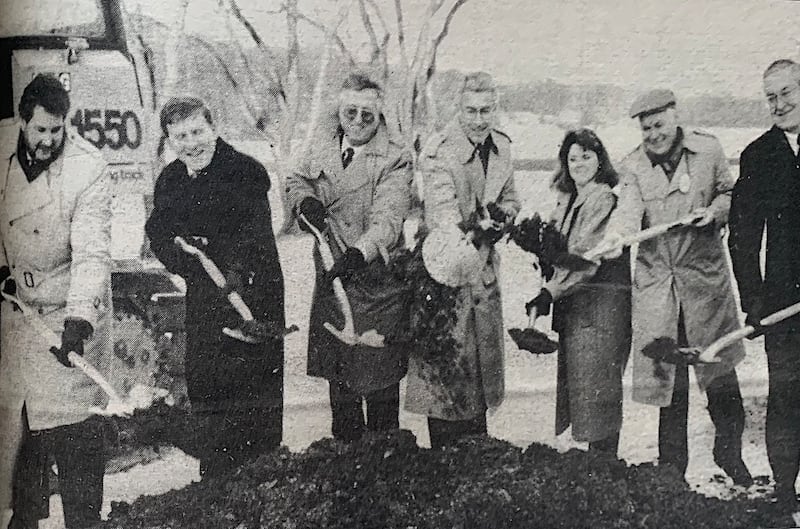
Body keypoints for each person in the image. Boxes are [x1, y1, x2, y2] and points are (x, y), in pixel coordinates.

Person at [598, 89, 752, 485]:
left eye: (659, 125)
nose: (653, 134)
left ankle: (729, 452)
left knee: (721, 375)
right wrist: (618, 237)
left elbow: (729, 192)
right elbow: (628, 212)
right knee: (671, 388)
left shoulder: (708, 150)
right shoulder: (631, 166)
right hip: (661, 292)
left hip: (704, 286)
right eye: (646, 128)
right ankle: (672, 474)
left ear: (674, 118)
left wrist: (716, 213)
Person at [145, 97, 285, 477]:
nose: (191, 143)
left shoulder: (244, 172)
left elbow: (254, 237)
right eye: (180, 137)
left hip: (251, 295)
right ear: (169, 141)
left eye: (197, 132)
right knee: (209, 393)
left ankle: (259, 486)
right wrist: (183, 260)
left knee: (251, 400)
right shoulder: (172, 179)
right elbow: (158, 231)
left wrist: (235, 269)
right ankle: (215, 486)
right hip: (205, 297)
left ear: (213, 129)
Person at [0, 73, 112, 529]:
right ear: (23, 122)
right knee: (20, 445)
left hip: (67, 316)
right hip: (17, 315)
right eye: (40, 130)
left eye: (57, 130)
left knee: (75, 439)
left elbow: (91, 252)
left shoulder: (89, 167)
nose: (49, 140)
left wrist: (79, 320)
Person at [286, 73, 411, 442]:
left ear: (380, 114)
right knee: (341, 395)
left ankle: (384, 476)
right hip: (331, 278)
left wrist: (359, 254)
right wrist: (304, 201)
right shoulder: (322, 144)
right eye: (350, 112)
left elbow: (389, 218)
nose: (357, 121)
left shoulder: (396, 157)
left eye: (367, 115)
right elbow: (297, 179)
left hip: (376, 284)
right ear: (339, 111)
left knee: (380, 390)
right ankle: (346, 477)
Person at [404, 72, 520, 449]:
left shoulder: (502, 148)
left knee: (479, 379)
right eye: (471, 110)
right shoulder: (438, 152)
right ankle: (444, 466)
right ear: (459, 108)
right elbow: (444, 219)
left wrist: (505, 215)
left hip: (483, 275)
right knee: (445, 382)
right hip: (442, 277)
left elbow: (511, 198)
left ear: (495, 109)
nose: (478, 119)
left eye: (486, 110)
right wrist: (482, 225)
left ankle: (476, 465)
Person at [526, 129, 631, 457]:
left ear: (600, 160)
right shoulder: (568, 199)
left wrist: (548, 293)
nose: (580, 163)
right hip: (578, 307)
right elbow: (558, 250)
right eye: (573, 158)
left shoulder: (601, 197)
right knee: (586, 392)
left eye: (587, 156)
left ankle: (604, 466)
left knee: (598, 392)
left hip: (602, 307)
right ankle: (598, 466)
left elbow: (585, 255)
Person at [728, 59, 800, 511]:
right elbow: (742, 237)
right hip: (783, 302)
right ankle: (784, 490)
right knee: (787, 393)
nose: (779, 104)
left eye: (786, 93)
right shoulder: (759, 155)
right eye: (770, 97)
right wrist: (754, 301)